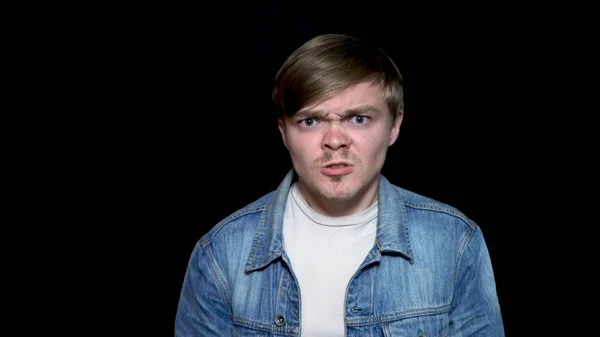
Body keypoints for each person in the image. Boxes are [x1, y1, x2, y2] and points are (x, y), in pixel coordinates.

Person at [175, 33, 504, 336]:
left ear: (394, 125)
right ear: (283, 132)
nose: (334, 141)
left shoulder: (454, 243)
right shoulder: (220, 253)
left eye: (359, 118)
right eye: (310, 121)